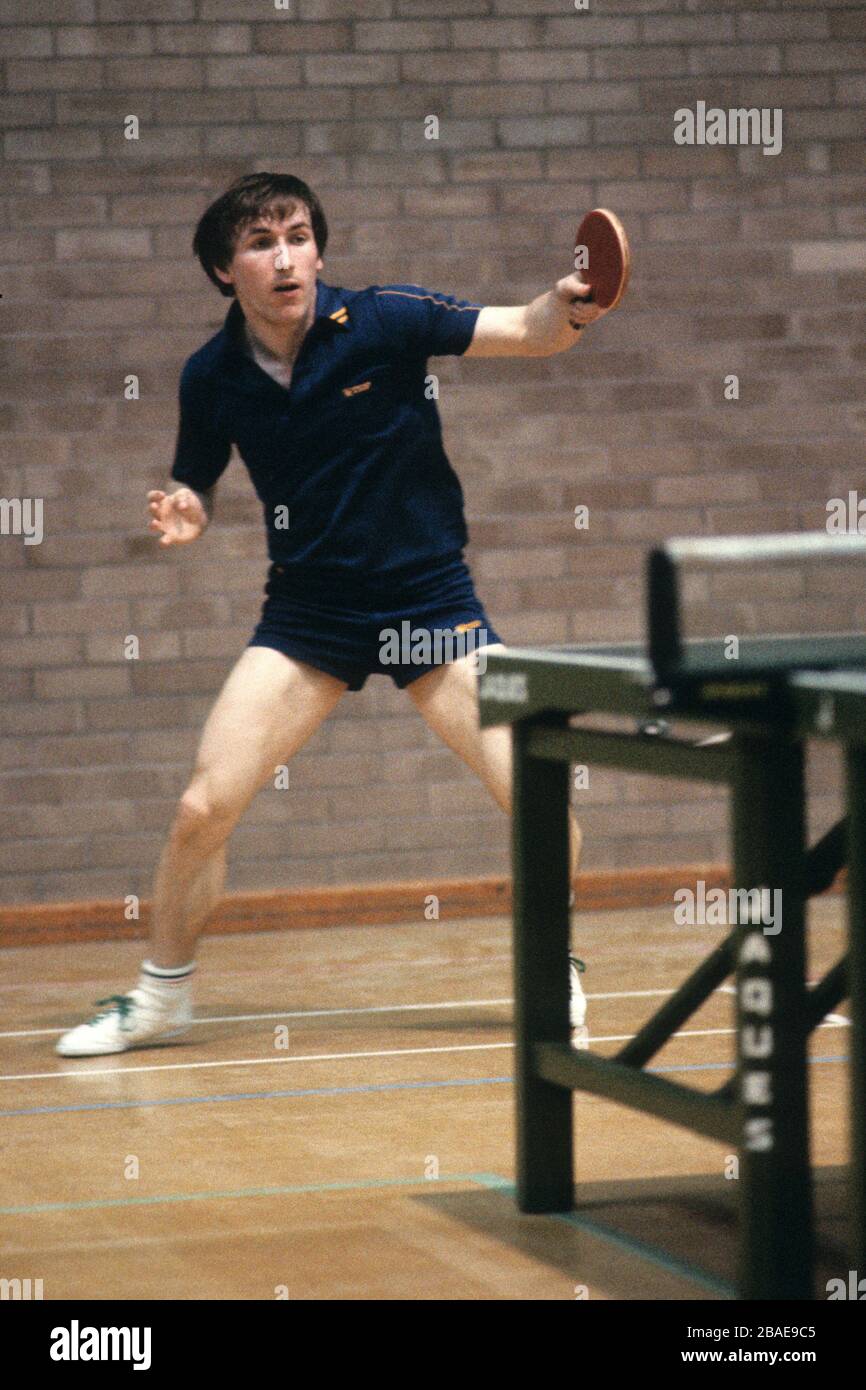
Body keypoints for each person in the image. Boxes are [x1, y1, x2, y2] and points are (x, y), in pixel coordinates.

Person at [56, 172, 611, 1059]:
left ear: (319, 248)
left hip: (430, 604)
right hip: (310, 613)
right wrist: (187, 509)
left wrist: (568, 306)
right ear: (221, 270)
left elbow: (526, 330)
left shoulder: (386, 320)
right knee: (203, 807)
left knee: (534, 792)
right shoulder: (212, 377)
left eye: (299, 235)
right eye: (262, 242)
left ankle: (553, 964)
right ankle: (162, 998)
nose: (287, 257)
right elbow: (195, 479)